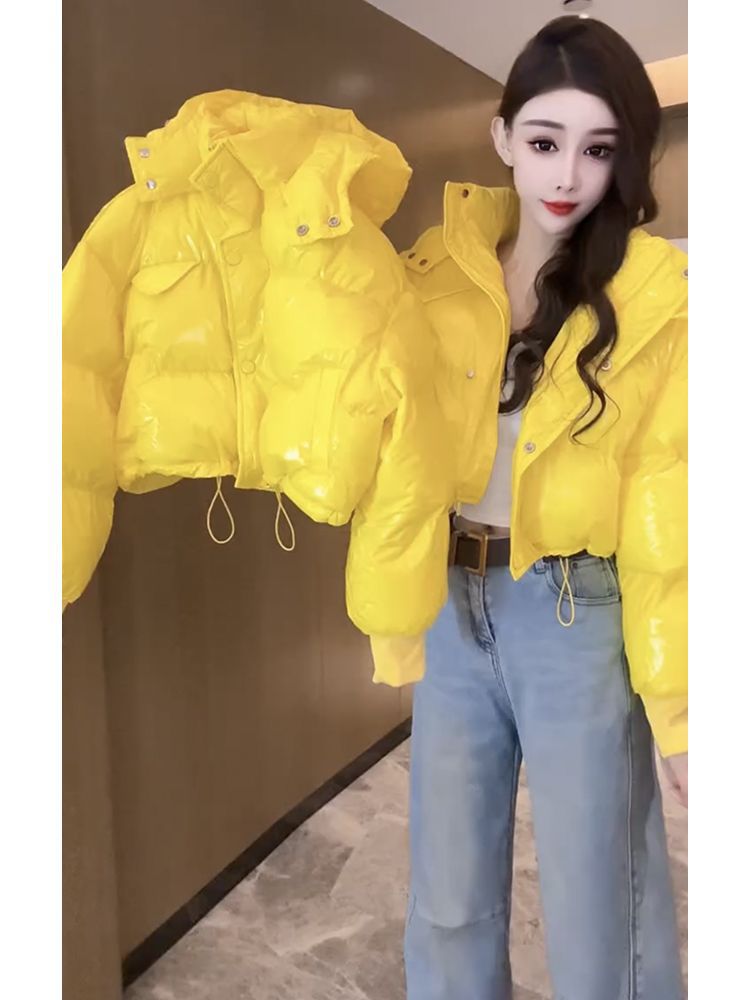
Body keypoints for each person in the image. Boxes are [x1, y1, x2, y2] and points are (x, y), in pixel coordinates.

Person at [400, 17, 687, 1000]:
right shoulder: (436, 276)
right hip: (449, 603)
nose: (568, 173)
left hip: (577, 610)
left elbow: (667, 507)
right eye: (545, 140)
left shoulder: (653, 300)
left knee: (600, 900)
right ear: (502, 138)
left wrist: (682, 709)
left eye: (599, 148)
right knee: (447, 895)